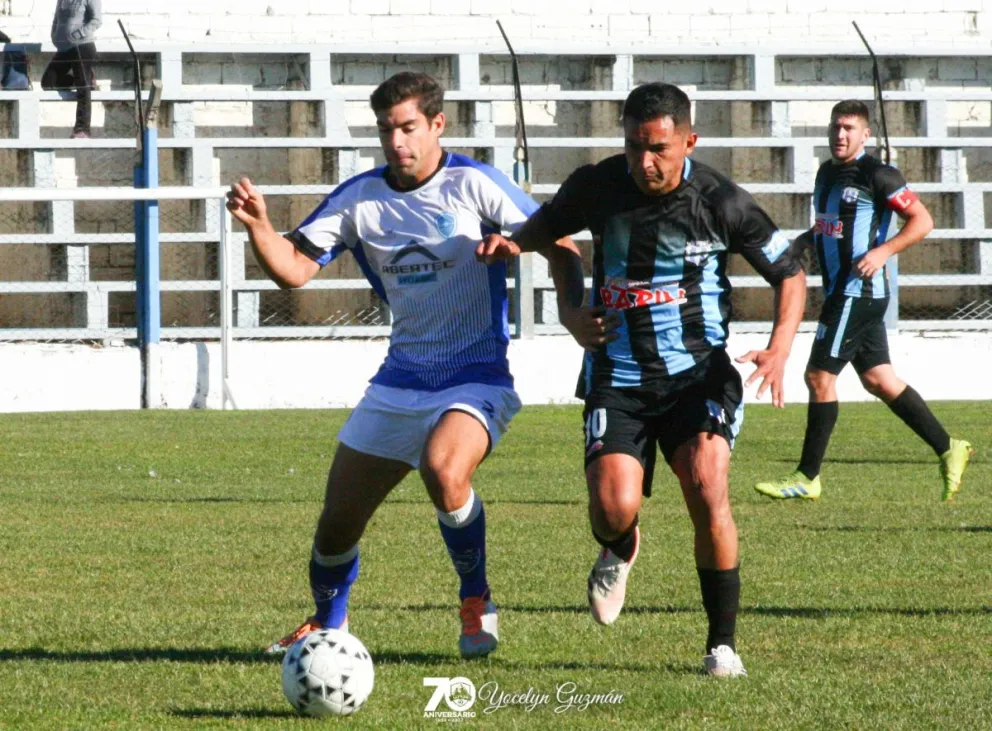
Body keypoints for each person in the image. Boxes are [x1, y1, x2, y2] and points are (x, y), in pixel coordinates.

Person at [228, 72, 567, 660]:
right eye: (386, 130)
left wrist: (565, 300)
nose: (396, 141)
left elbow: (559, 239)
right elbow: (294, 270)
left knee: (443, 470)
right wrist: (259, 225)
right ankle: (327, 625)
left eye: (408, 128)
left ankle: (475, 597)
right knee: (336, 525)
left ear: (437, 125)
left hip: (475, 376)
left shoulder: (474, 184)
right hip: (398, 380)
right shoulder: (361, 198)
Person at [476, 82, 808, 677]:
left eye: (658, 148)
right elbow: (547, 234)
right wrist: (562, 300)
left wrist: (780, 348)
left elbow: (790, 272)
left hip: (697, 374)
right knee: (612, 508)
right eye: (633, 146)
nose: (644, 161)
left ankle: (722, 644)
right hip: (618, 375)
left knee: (707, 484)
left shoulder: (721, 201)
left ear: (689, 142)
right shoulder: (597, 185)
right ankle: (619, 542)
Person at [753, 100, 973, 502]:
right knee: (878, 380)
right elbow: (830, 225)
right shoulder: (825, 173)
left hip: (858, 292)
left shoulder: (879, 175)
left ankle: (807, 476)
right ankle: (948, 447)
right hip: (844, 292)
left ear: (865, 135)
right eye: (836, 127)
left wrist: (883, 251)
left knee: (819, 377)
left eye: (849, 128)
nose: (840, 134)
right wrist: (803, 242)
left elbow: (923, 220)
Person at [42, 0, 101, 138]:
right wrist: (55, 36)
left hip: (82, 45)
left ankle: (82, 129)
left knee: (82, 87)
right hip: (64, 49)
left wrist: (79, 33)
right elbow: (56, 19)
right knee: (48, 82)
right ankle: (87, 79)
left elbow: (97, 20)